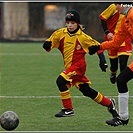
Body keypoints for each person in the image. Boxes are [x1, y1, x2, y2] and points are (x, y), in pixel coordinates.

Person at [42, 10, 118, 120]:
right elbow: (50, 42)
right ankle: (110, 104)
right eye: (68, 23)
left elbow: (98, 47)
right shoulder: (60, 33)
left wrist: (102, 61)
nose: (70, 25)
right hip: (71, 68)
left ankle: (68, 109)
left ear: (78, 24)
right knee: (86, 91)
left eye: (72, 23)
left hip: (79, 67)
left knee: (60, 81)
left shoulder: (82, 37)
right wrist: (46, 44)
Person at [88, 3, 133, 126]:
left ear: (124, 4)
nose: (116, 8)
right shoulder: (125, 20)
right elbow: (116, 42)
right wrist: (99, 46)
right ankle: (123, 118)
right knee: (121, 80)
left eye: (117, 5)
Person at [99, 3, 132, 84]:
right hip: (113, 39)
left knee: (123, 64)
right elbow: (102, 18)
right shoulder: (113, 7)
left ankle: (123, 83)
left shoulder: (130, 11)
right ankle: (113, 73)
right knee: (114, 66)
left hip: (125, 40)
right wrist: (107, 32)